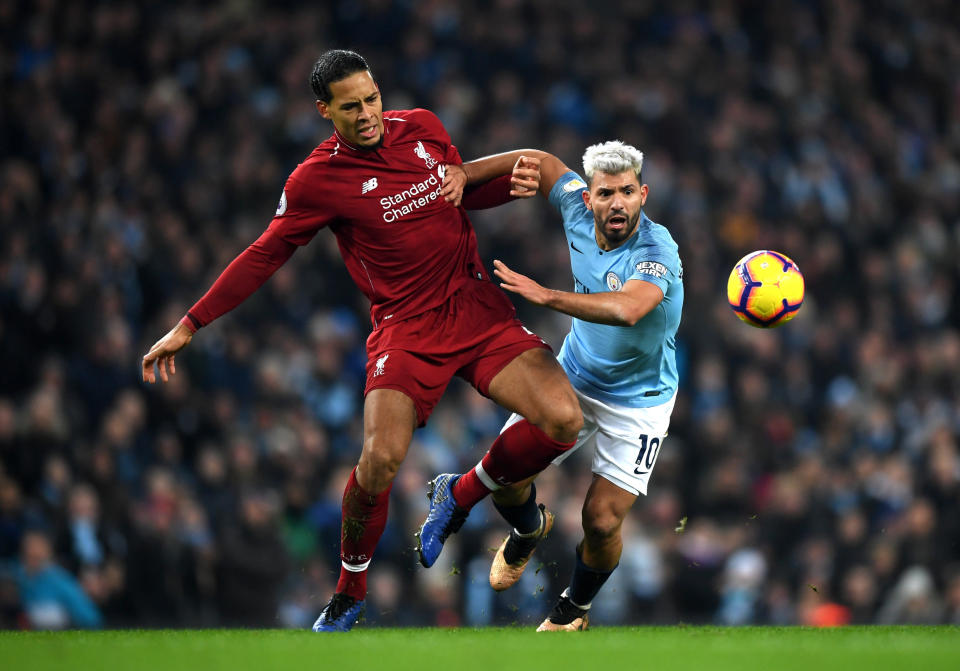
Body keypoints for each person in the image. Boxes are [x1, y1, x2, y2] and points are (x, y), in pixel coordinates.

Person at [140, 50, 583, 632]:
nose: (369, 114)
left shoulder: (423, 127)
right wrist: (190, 323)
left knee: (564, 420)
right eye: (352, 107)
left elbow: (458, 194)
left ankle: (462, 493)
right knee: (378, 461)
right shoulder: (316, 179)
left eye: (372, 98)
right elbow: (265, 253)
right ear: (325, 111)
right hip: (406, 329)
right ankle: (349, 593)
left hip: (477, 310)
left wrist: (508, 187)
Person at [418, 141, 683, 631]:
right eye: (606, 193)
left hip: (640, 402)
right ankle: (527, 528)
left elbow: (628, 309)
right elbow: (539, 163)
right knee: (510, 477)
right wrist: (463, 172)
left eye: (628, 192)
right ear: (589, 199)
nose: (618, 203)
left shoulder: (656, 251)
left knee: (602, 520)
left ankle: (573, 610)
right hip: (575, 373)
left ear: (643, 194)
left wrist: (546, 296)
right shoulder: (572, 206)